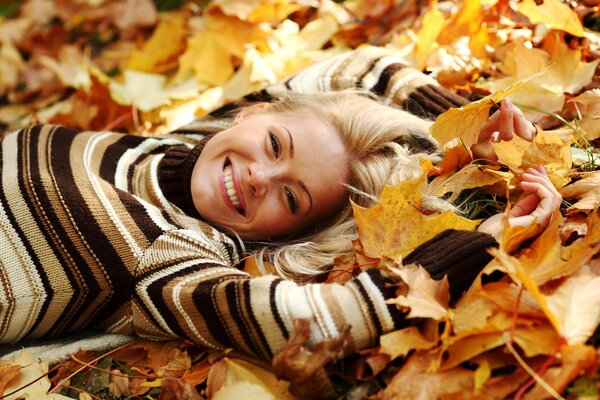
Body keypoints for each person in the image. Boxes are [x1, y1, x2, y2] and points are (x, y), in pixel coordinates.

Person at [0, 57, 561, 362]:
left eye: (291, 198)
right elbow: (365, 70)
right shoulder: (195, 141)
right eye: (274, 144)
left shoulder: (169, 255)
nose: (258, 177)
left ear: (288, 234)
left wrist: (483, 241)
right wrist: (468, 127)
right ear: (255, 114)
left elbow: (312, 320)